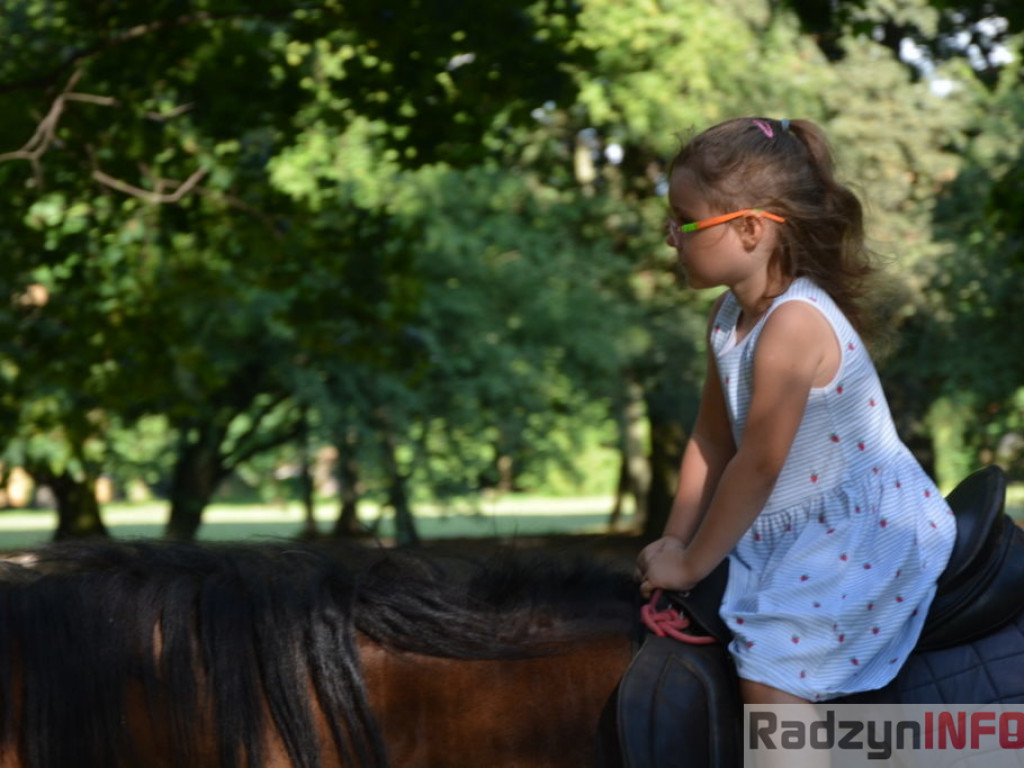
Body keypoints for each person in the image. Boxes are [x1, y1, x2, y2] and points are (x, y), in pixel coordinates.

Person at [634, 117, 956, 707]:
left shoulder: (793, 324)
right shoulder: (728, 318)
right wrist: (673, 543)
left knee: (771, 673)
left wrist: (693, 564)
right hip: (787, 524)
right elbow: (711, 441)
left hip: (862, 532)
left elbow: (758, 465)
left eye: (685, 220)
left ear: (752, 229)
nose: (670, 236)